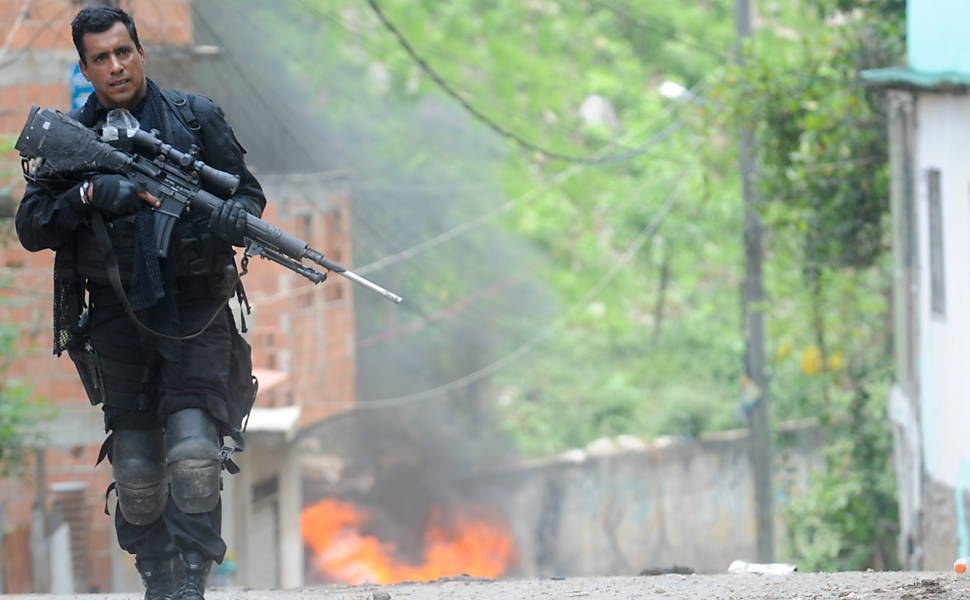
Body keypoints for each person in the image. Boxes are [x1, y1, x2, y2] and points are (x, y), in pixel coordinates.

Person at [15, 7, 265, 600]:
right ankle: (155, 574)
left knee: (195, 454)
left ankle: (192, 579)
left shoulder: (195, 121)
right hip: (115, 319)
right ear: (85, 67)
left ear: (141, 51)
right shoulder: (70, 140)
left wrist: (235, 218)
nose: (115, 66)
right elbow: (31, 225)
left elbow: (249, 198)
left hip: (195, 311)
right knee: (135, 468)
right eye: (100, 58)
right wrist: (89, 193)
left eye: (123, 51)